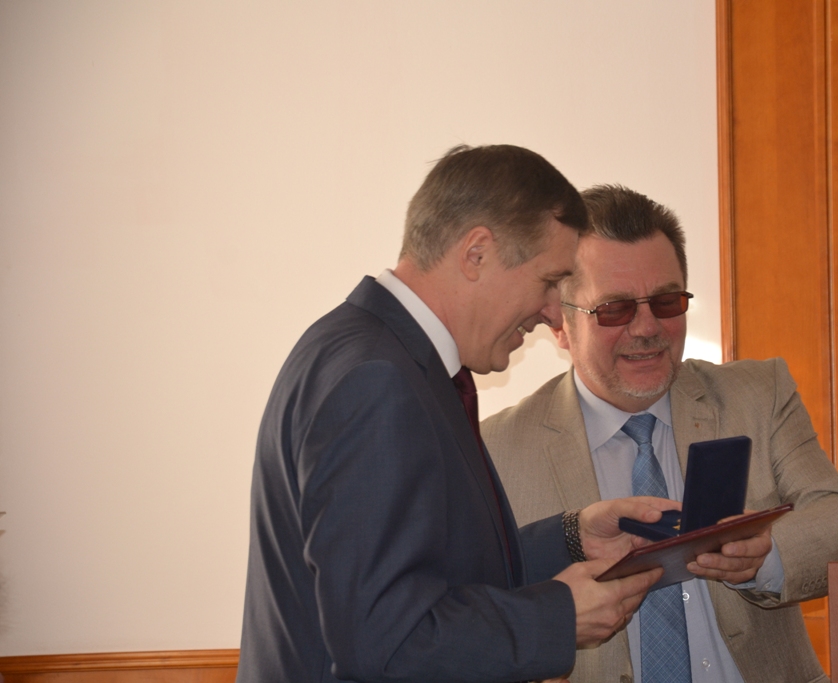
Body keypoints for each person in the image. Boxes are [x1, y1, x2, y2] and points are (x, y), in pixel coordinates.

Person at [236, 147, 675, 683]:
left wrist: (570, 538)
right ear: (476, 253)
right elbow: (385, 641)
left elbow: (430, 573)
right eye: (548, 281)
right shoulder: (377, 382)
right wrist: (557, 618)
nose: (550, 312)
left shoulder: (373, 352)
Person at [482, 185, 838, 683]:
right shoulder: (496, 449)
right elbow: (471, 612)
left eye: (666, 301)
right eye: (615, 309)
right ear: (560, 326)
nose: (647, 327)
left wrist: (768, 555)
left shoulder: (758, 395)